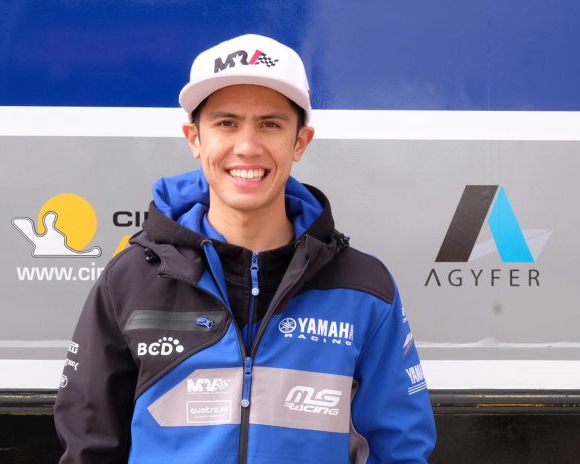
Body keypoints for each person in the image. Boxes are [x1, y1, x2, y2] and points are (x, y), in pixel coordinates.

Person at [54, 33, 436, 463]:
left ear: (300, 141)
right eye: (226, 123)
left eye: (270, 124)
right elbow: (90, 444)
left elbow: (400, 448)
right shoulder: (131, 279)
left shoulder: (364, 288)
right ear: (194, 138)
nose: (248, 147)